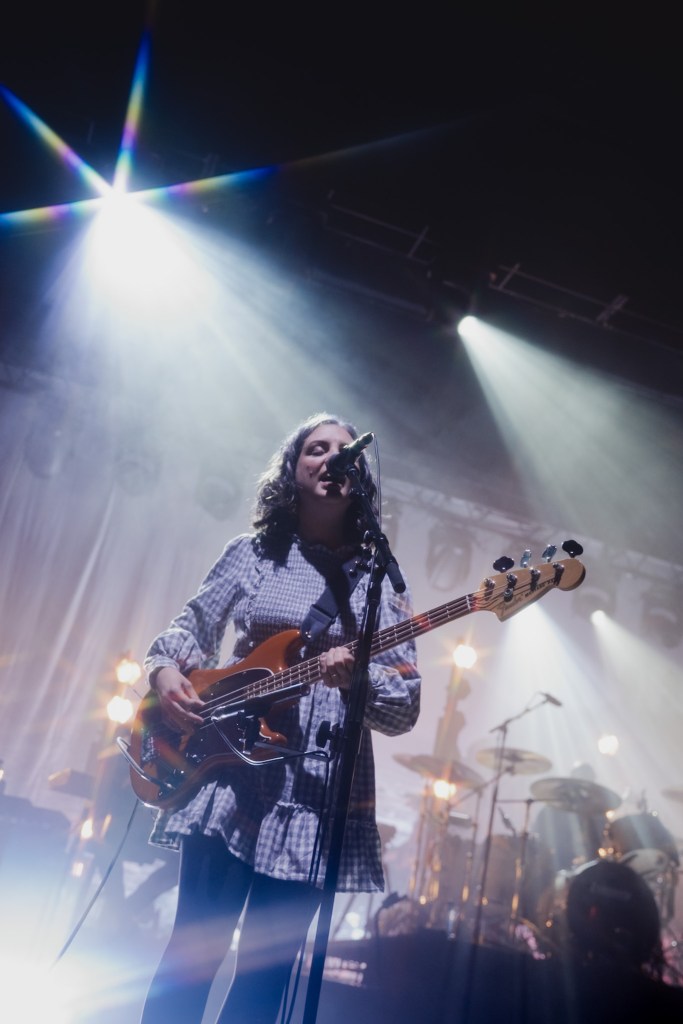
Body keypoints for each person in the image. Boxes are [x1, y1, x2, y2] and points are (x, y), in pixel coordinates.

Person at [139, 413, 421, 1024]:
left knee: (264, 985)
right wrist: (164, 673)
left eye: (346, 452)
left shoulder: (379, 581)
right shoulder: (251, 554)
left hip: (315, 799)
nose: (333, 458)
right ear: (291, 470)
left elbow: (404, 707)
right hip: (229, 775)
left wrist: (358, 676)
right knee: (192, 957)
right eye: (316, 449)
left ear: (362, 479)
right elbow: (189, 629)